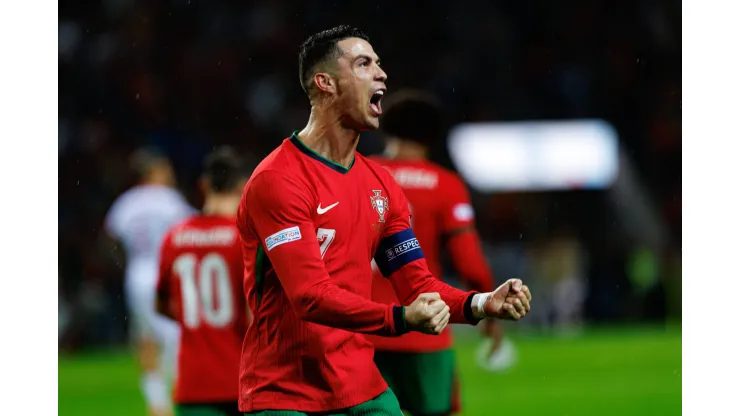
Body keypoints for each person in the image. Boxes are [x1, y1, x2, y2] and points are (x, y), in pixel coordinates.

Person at [236, 25, 532, 416]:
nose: (382, 73)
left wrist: (480, 303)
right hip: (285, 394)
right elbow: (309, 296)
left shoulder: (382, 185)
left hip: (362, 389)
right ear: (325, 83)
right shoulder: (278, 180)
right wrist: (400, 318)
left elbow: (416, 283)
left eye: (379, 63)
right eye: (363, 63)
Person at [366, 90, 508, 416]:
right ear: (432, 136)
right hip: (425, 329)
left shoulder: (361, 175)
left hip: (365, 329)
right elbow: (469, 261)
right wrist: (487, 311)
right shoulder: (445, 185)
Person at [156, 147, 253, 416]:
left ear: (203, 185)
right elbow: (254, 314)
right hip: (243, 382)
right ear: (243, 186)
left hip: (192, 385)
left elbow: (162, 305)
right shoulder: (245, 240)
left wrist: (198, 321)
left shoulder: (174, 239)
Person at [104, 147, 195, 416]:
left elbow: (110, 238)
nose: (170, 174)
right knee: (176, 336)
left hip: (136, 276)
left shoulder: (126, 202)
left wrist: (125, 263)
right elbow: (189, 231)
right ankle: (178, 393)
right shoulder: (169, 200)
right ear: (154, 172)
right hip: (165, 273)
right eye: (165, 169)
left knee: (146, 339)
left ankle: (157, 401)